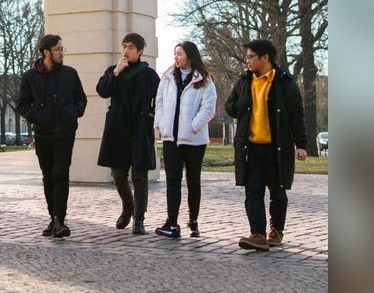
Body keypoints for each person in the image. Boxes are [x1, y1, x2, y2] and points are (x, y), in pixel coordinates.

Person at [225, 39, 307, 251]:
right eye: (248, 56)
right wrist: (240, 105)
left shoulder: (284, 82)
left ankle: (276, 230)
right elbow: (230, 105)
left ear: (265, 58)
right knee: (252, 190)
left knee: (277, 191)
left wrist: (301, 143)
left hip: (277, 147)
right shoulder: (244, 80)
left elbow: (296, 114)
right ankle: (258, 234)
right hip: (251, 147)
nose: (248, 60)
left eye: (252, 56)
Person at [16, 34, 87, 238]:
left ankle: (60, 220)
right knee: (48, 176)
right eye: (58, 49)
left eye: (62, 49)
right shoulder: (30, 77)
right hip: (44, 133)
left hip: (65, 132)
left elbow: (81, 98)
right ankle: (53, 218)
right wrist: (37, 117)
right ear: (46, 52)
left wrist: (73, 113)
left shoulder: (70, 74)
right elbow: (22, 104)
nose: (61, 53)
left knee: (60, 173)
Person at [95, 32, 160, 235]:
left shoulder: (149, 75)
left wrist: (151, 116)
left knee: (140, 175)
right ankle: (128, 207)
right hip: (118, 129)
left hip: (140, 128)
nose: (125, 51)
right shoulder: (113, 70)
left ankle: (139, 219)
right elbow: (102, 91)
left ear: (140, 51)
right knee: (118, 174)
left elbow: (161, 100)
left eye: (130, 47)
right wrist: (116, 72)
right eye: (124, 46)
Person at [152, 40, 217, 238]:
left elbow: (208, 108)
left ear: (190, 56)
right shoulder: (167, 77)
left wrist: (193, 126)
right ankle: (172, 222)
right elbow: (160, 102)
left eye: (179, 53)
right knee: (172, 181)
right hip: (171, 138)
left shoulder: (204, 79)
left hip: (194, 140)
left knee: (193, 181)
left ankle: (193, 220)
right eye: (175, 54)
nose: (176, 57)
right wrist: (161, 124)